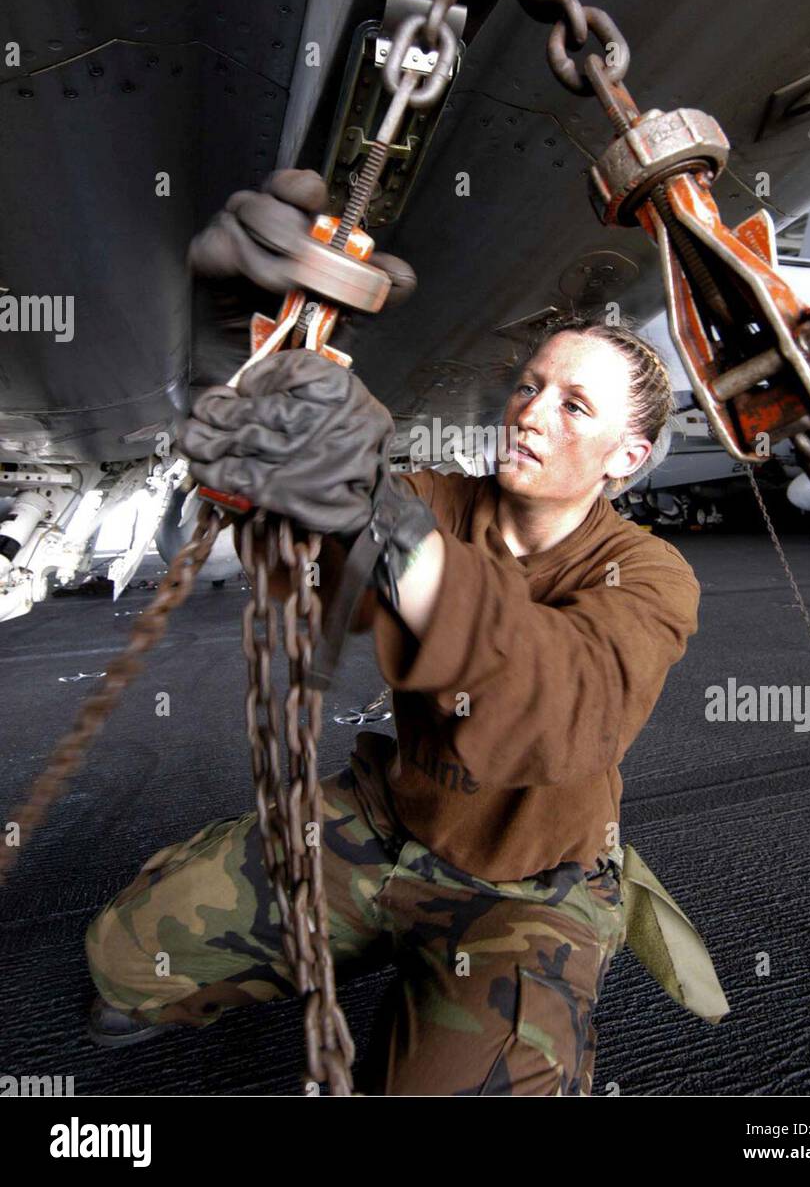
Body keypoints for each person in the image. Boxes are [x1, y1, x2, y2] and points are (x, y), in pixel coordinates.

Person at [83, 170, 709, 1096]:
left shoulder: (650, 576)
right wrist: (243, 362)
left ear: (627, 457)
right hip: (388, 823)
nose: (529, 413)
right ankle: (367, 932)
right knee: (121, 964)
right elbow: (316, 564)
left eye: (574, 406)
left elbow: (564, 705)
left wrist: (378, 521)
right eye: (531, 386)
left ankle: (448, 967)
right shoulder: (436, 500)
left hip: (526, 889)